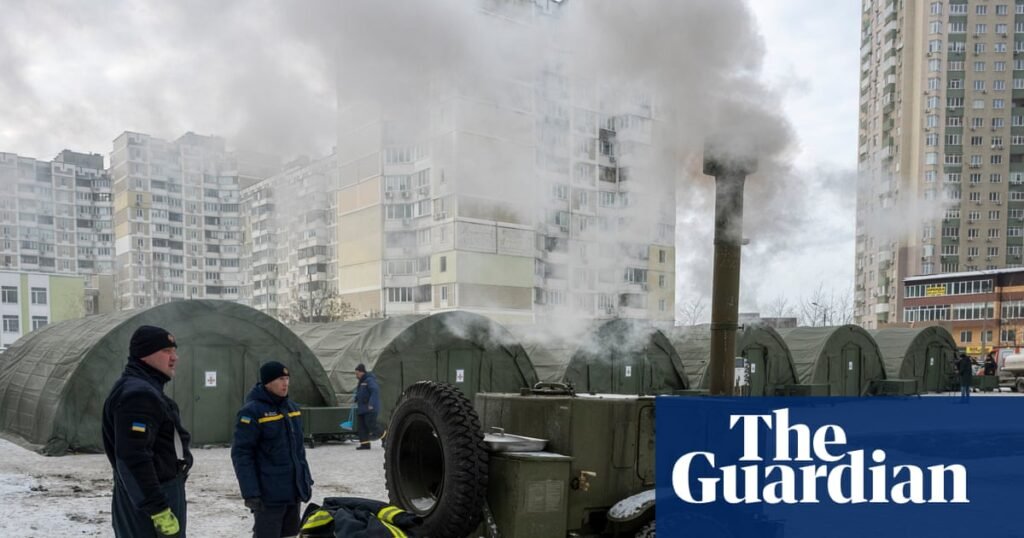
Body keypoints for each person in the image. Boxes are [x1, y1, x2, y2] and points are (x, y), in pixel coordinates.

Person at [102, 325, 192, 537]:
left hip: (149, 493)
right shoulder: (138, 396)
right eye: (166, 351)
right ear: (145, 354)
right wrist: (158, 509)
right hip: (151, 499)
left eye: (174, 351)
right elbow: (133, 456)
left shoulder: (143, 389)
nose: (175, 357)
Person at [232, 361, 314, 538]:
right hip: (268, 496)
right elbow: (242, 455)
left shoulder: (292, 409)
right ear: (267, 382)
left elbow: (299, 452)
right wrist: (251, 492)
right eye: (280, 379)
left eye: (287, 378)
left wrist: (305, 480)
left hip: (293, 492)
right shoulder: (252, 412)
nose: (285, 383)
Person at [354, 363, 382, 450]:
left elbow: (375, 391)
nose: (356, 375)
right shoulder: (362, 382)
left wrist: (371, 404)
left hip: (370, 408)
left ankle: (386, 437)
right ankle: (365, 444)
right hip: (362, 409)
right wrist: (356, 398)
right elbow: (361, 392)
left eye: (357, 373)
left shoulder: (369, 380)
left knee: (372, 425)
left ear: (362, 372)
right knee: (361, 426)